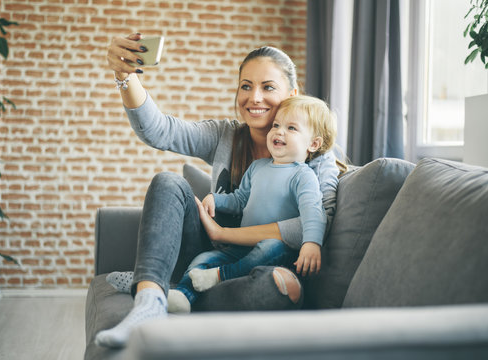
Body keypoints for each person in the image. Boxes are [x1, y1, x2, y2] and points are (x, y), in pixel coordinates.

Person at [96, 32, 346, 348]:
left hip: (263, 262)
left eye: (268, 87)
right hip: (210, 253)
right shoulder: (225, 136)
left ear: (292, 94)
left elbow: (311, 224)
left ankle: (173, 287)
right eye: (246, 86)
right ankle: (149, 303)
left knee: (279, 288)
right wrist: (125, 76)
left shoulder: (315, 154)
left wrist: (225, 234)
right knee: (167, 182)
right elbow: (158, 130)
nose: (254, 97)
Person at [181, 95, 337, 307]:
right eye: (276, 125)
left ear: (313, 144)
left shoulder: (303, 175)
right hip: (240, 246)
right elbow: (240, 200)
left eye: (291, 128)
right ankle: (182, 295)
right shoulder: (257, 167)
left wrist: (311, 243)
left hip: (277, 251)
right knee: (203, 260)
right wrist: (215, 200)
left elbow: (313, 212)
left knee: (269, 248)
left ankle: (221, 276)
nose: (279, 131)